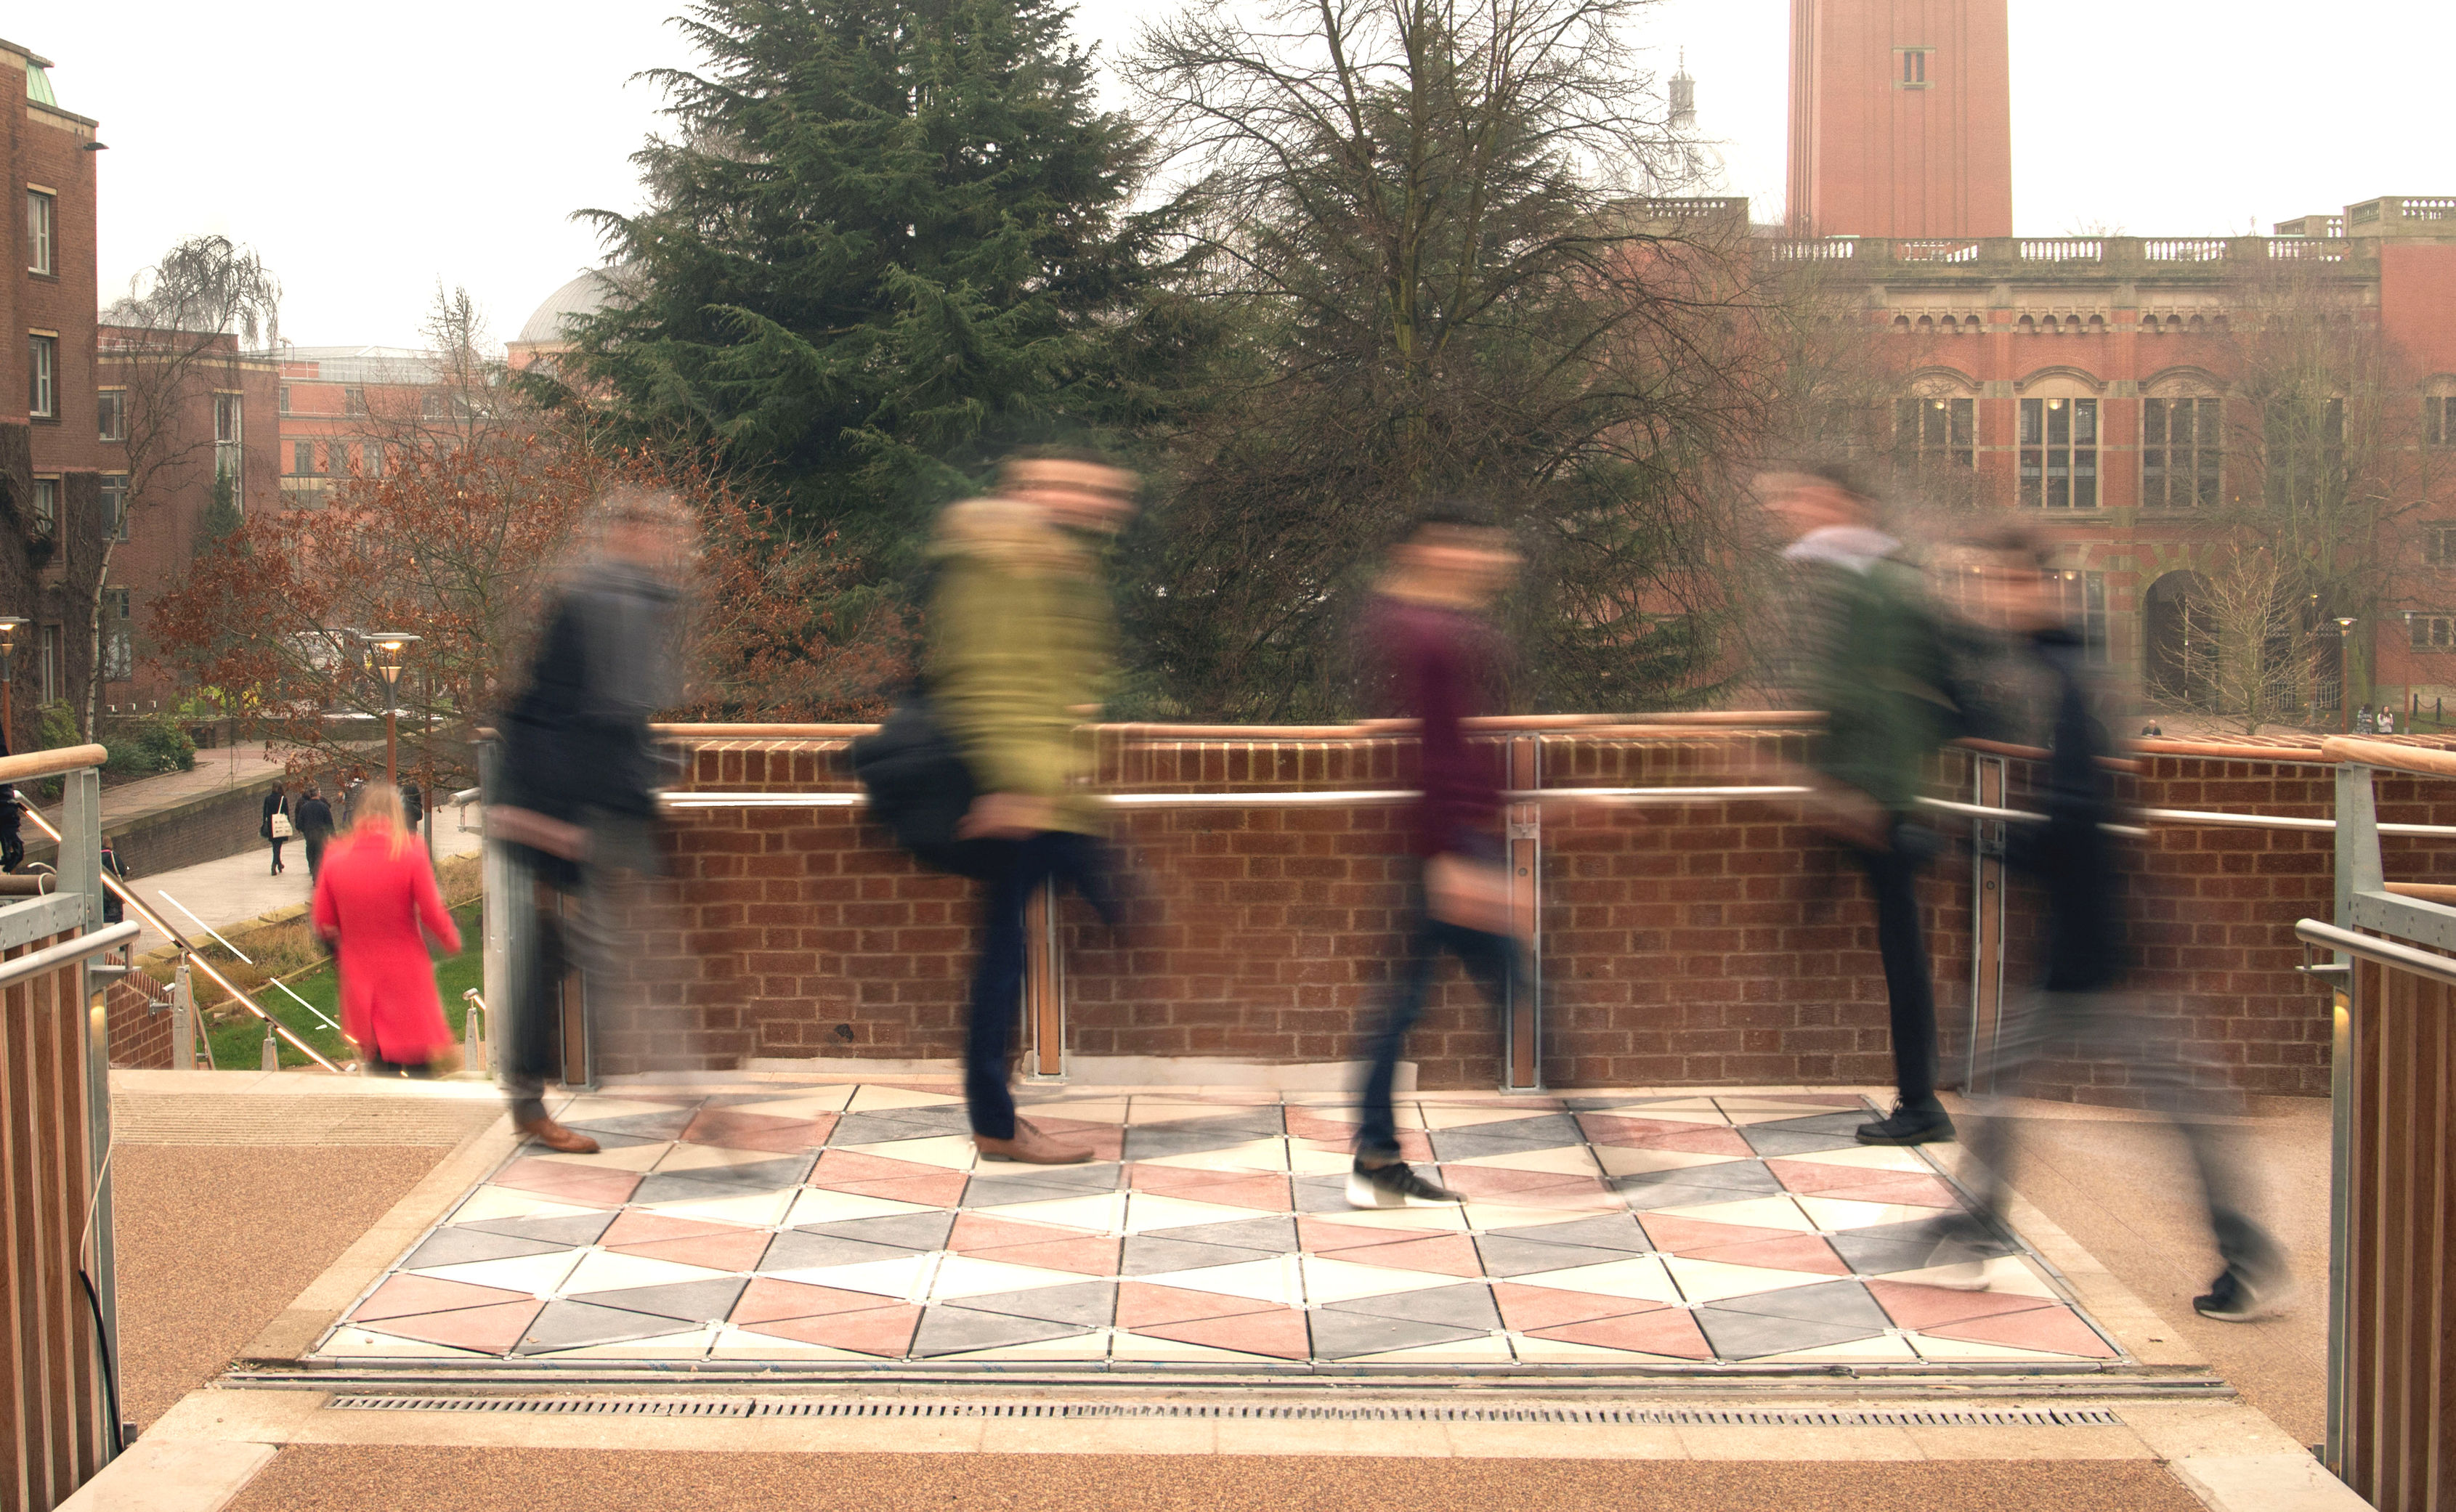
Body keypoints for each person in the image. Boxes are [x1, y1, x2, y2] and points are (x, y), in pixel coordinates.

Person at [1940, 528, 2293, 1320]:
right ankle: (1977, 1223)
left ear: (2034, 588)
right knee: (2010, 1080)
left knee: (2172, 1096)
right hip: (2088, 923)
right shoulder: (2060, 666)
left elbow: (2078, 809)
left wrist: (1990, 842)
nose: (1987, 598)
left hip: (2095, 934)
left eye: (1999, 584)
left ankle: (2249, 1256)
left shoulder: (2066, 676)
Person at [929, 450, 1137, 1165]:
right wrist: (1011, 783)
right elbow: (984, 677)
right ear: (1025, 490)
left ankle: (997, 1116)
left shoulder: (1055, 565)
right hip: (1021, 792)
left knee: (1028, 945)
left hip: (1052, 790)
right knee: (1005, 959)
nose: (1093, 500)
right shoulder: (998, 562)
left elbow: (1058, 675)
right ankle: (994, 1120)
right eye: (1072, 486)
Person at [1757, 462, 1966, 1147]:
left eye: (1798, 497)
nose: (1786, 510)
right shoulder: (1858, 582)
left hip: (1876, 801)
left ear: (1843, 503)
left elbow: (1871, 696)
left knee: (1902, 953)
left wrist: (1869, 788)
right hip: (1874, 795)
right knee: (1893, 946)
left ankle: (1921, 1103)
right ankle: (1919, 1099)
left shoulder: (1873, 589)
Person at [490, 488, 692, 1155]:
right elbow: (560, 712)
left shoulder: (633, 600)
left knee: (590, 954)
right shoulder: (597, 602)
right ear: (626, 534)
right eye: (658, 532)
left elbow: (612, 716)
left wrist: (651, 762)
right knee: (600, 956)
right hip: (573, 812)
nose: (669, 546)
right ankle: (684, 1099)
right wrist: (548, 817)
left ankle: (535, 1098)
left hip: (595, 806)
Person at [1349, 505, 1527, 1208]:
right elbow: (1429, 753)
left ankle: (1376, 1150)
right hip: (1448, 845)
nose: (1485, 558)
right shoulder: (1420, 632)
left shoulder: (1440, 626)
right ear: (1429, 551)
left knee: (1414, 1001)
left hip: (1453, 839)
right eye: (1468, 546)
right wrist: (1451, 854)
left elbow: (1454, 745)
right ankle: (1605, 1144)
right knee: (1512, 992)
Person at [312, 783, 463, 1077]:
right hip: (405, 975)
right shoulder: (409, 852)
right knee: (420, 1067)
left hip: (361, 978)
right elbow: (432, 913)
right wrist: (450, 941)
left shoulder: (336, 856)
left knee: (380, 1066)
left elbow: (323, 921)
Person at [296, 784, 336, 882]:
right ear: (318, 795)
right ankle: (316, 876)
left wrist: (300, 828)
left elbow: (300, 821)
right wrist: (333, 834)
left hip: (309, 834)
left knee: (310, 851)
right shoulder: (323, 807)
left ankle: (312, 868)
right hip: (321, 834)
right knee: (319, 854)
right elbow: (329, 821)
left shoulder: (305, 807)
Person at [261, 781, 293, 876]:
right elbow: (286, 813)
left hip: (271, 825)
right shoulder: (283, 799)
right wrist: (288, 824)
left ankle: (279, 864)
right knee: (278, 846)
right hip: (279, 825)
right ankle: (274, 864)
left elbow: (264, 813)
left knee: (275, 845)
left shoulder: (267, 799)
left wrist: (265, 824)